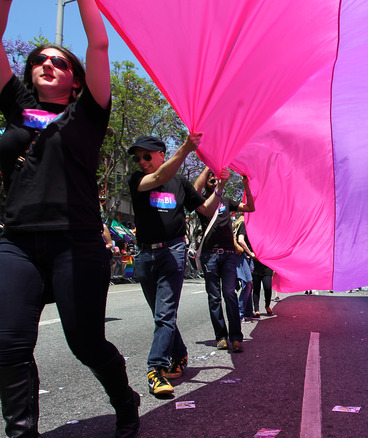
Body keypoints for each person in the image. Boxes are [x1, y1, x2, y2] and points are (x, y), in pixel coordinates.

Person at [0, 1, 141, 435]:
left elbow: (98, 43)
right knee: (8, 346)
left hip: (76, 243)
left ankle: (125, 401)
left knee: (85, 343)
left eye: (58, 61)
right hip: (17, 241)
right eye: (39, 60)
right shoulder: (19, 108)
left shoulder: (90, 113)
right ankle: (22, 431)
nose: (46, 63)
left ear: (75, 80)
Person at [128, 134, 228, 397]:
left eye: (147, 156)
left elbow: (206, 210)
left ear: (161, 154)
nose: (141, 161)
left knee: (164, 315)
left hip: (172, 252)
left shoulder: (181, 183)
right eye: (137, 157)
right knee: (161, 314)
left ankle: (155, 369)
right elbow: (159, 177)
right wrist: (185, 149)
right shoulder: (138, 179)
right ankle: (180, 354)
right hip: (144, 256)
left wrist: (221, 188)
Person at [193, 168, 255, 352]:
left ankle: (236, 337)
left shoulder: (227, 202)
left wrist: (247, 187)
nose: (213, 180)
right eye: (210, 178)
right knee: (214, 298)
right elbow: (194, 190)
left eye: (215, 177)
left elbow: (250, 207)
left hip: (228, 255)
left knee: (229, 294)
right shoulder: (202, 202)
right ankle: (221, 337)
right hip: (209, 256)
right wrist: (207, 166)